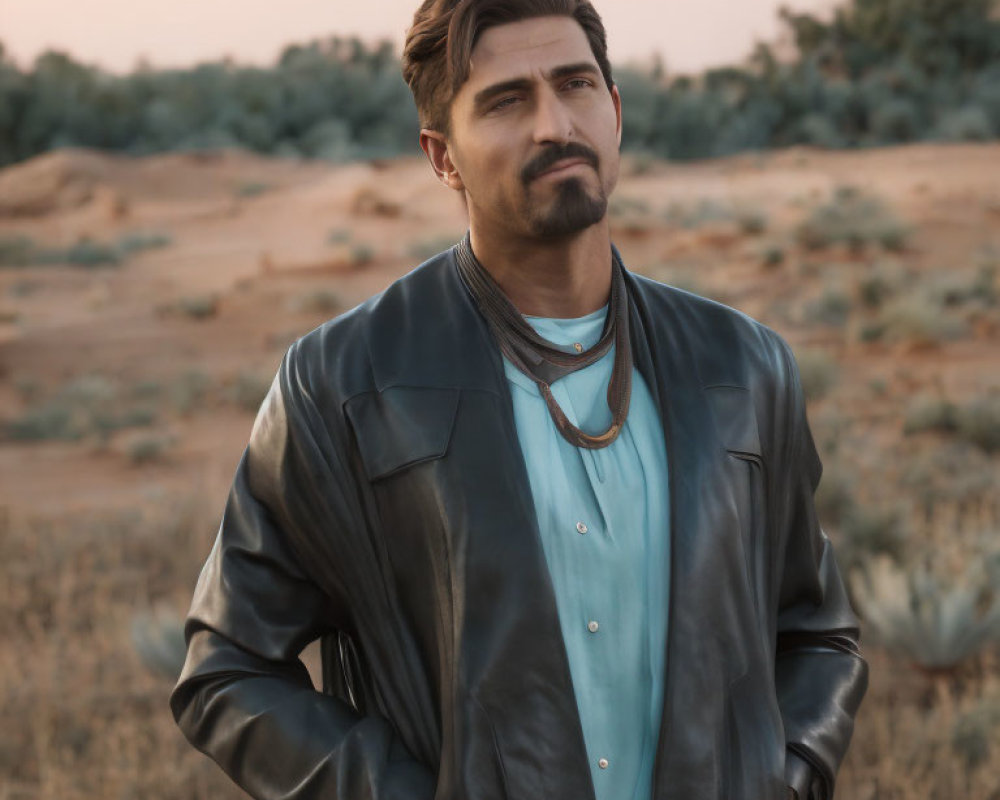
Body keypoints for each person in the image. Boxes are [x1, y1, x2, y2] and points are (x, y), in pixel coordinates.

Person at [169, 1, 868, 798]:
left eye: (574, 85)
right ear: (443, 157)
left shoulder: (743, 365)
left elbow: (818, 635)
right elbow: (226, 667)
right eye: (506, 101)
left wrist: (788, 776)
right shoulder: (346, 382)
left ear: (614, 111)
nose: (553, 124)